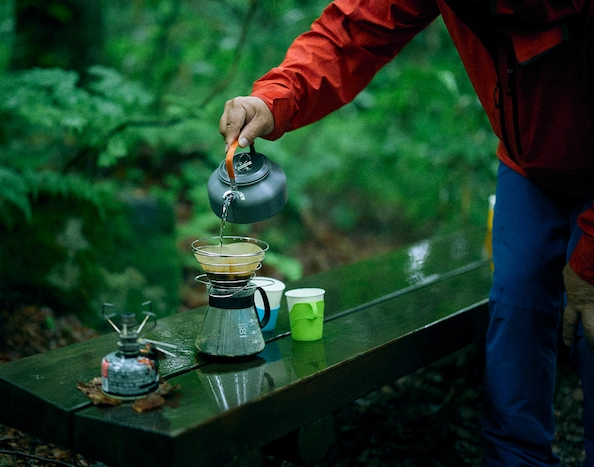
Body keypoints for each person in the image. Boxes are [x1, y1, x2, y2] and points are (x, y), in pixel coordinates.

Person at [219, 1, 594, 465]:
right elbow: (353, 29)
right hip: (528, 164)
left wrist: (589, 261)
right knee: (516, 312)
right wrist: (273, 98)